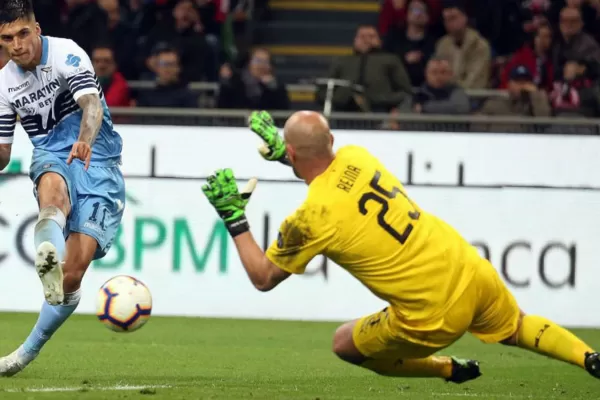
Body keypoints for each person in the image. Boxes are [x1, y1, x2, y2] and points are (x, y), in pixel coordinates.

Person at [201, 110, 600, 383]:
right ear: (333, 140)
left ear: (290, 152)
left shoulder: (309, 219)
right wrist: (286, 151)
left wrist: (232, 215)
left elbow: (263, 277)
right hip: (466, 267)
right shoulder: (358, 157)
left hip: (431, 313)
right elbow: (321, 164)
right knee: (516, 325)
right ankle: (588, 357)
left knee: (345, 344)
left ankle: (447, 369)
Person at [0, 0, 125, 376]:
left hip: (98, 161)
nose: (18, 44)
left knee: (73, 275)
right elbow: (4, 152)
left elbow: (91, 104)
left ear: (36, 30)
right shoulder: (4, 84)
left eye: (24, 33)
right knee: (52, 189)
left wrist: (85, 138)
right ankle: (48, 251)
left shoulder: (66, 53)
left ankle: (27, 351)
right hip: (52, 153)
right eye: (8, 38)